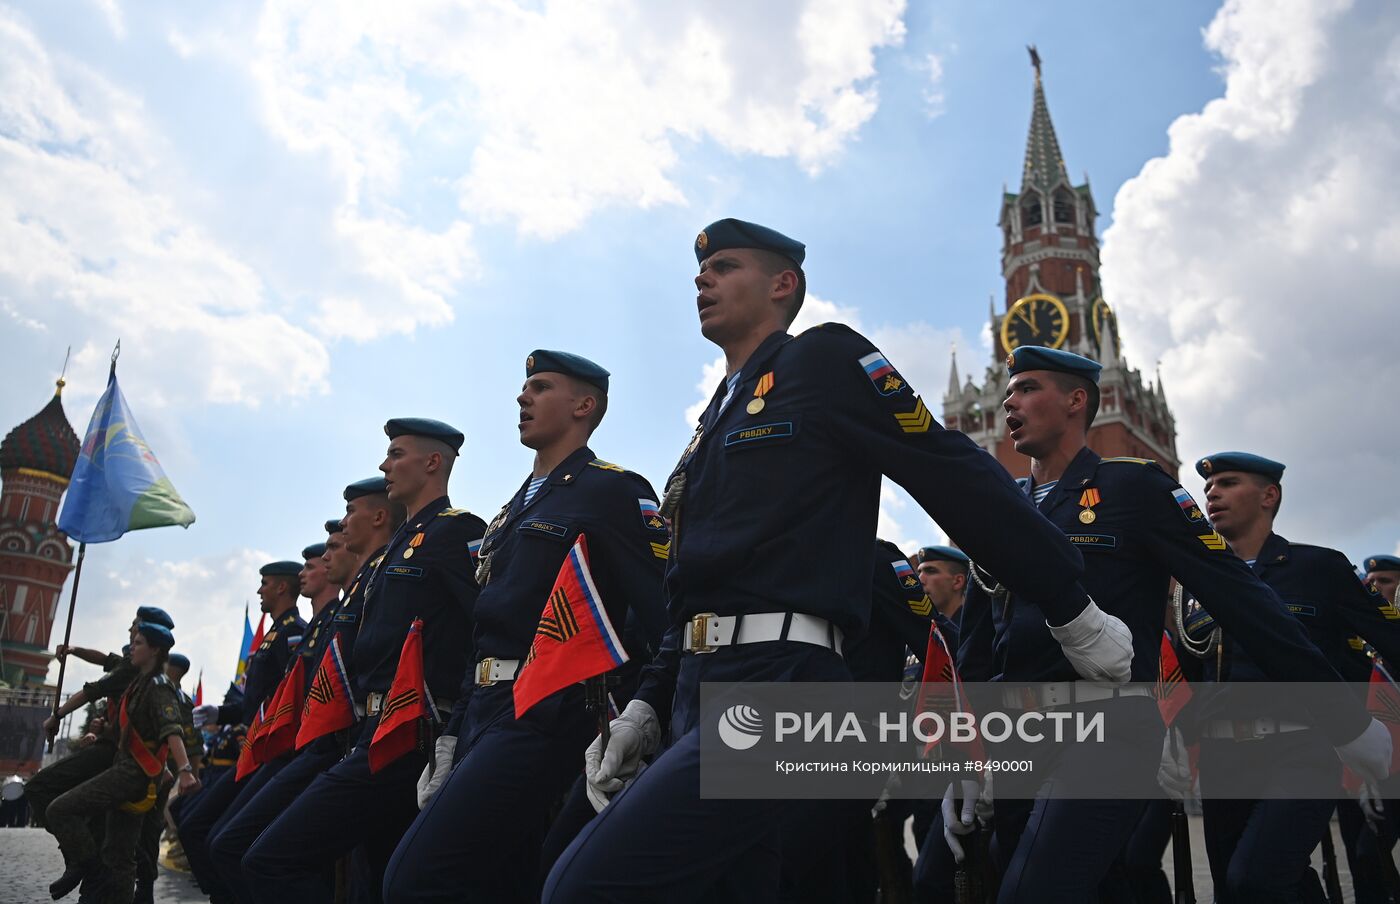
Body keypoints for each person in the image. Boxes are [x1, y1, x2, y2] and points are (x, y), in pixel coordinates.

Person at [543, 219, 1137, 902]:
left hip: (784, 684)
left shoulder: (821, 361)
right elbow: (695, 589)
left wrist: (1069, 604)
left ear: (781, 285)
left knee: (583, 885)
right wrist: (646, 706)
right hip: (696, 691)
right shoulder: (714, 421)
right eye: (701, 271)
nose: (703, 278)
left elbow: (950, 471)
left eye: (726, 266)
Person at [943, 348, 1393, 902]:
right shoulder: (1003, 503)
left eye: (1029, 388)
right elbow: (980, 645)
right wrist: (963, 752)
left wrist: (1344, 722)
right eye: (1008, 391)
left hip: (1104, 728)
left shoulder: (1136, 489)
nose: (1010, 400)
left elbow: (1245, 604)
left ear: (1077, 400)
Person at [383, 351, 668, 902]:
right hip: (483, 712)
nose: (523, 397)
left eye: (540, 387)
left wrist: (645, 707)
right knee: (500, 880)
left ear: (584, 406)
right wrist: (451, 733)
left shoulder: (612, 490)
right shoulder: (511, 510)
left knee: (413, 877)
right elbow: (484, 629)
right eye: (524, 387)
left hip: (545, 710)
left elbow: (659, 611)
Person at [244, 421, 486, 904]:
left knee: (269, 860)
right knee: (375, 881)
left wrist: (458, 727)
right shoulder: (394, 547)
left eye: (396, 454)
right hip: (369, 731)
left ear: (432, 463)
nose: (384, 464)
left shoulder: (456, 531)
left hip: (412, 733)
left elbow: (484, 627)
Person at [1173, 452, 1400, 902]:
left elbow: (1386, 645)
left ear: (1268, 495)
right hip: (1222, 758)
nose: (1212, 493)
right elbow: (1189, 675)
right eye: (1209, 487)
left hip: (1303, 749)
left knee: (1253, 878)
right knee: (1246, 888)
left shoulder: (1319, 568)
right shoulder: (1196, 582)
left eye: (1228, 482)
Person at [205, 539, 344, 903]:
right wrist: (222, 714)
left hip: (304, 748)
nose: (304, 574)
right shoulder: (307, 629)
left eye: (310, 567)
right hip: (279, 746)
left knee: (235, 845)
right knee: (220, 839)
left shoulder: (304, 628)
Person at [45, 621, 200, 903]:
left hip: (135, 774)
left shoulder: (159, 686)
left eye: (138, 643)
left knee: (60, 809)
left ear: (154, 651)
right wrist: (100, 731)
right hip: (127, 766)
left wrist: (186, 770)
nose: (132, 648)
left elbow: (172, 729)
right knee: (120, 857)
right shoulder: (138, 682)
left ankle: (85, 867)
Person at [181, 561, 307, 904]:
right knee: (193, 823)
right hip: (254, 749)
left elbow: (288, 699)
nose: (259, 590)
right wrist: (219, 713)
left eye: (264, 583)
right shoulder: (273, 634)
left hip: (270, 752)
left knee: (207, 831)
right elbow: (255, 704)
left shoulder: (293, 632)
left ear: (282, 588)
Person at [29, 607, 174, 826]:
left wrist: (56, 715)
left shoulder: (136, 669)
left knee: (41, 789)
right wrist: (74, 650)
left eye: (135, 624)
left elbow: (92, 691)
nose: (130, 628)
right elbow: (106, 660)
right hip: (125, 752)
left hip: (120, 752)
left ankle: (80, 854)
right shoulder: (138, 666)